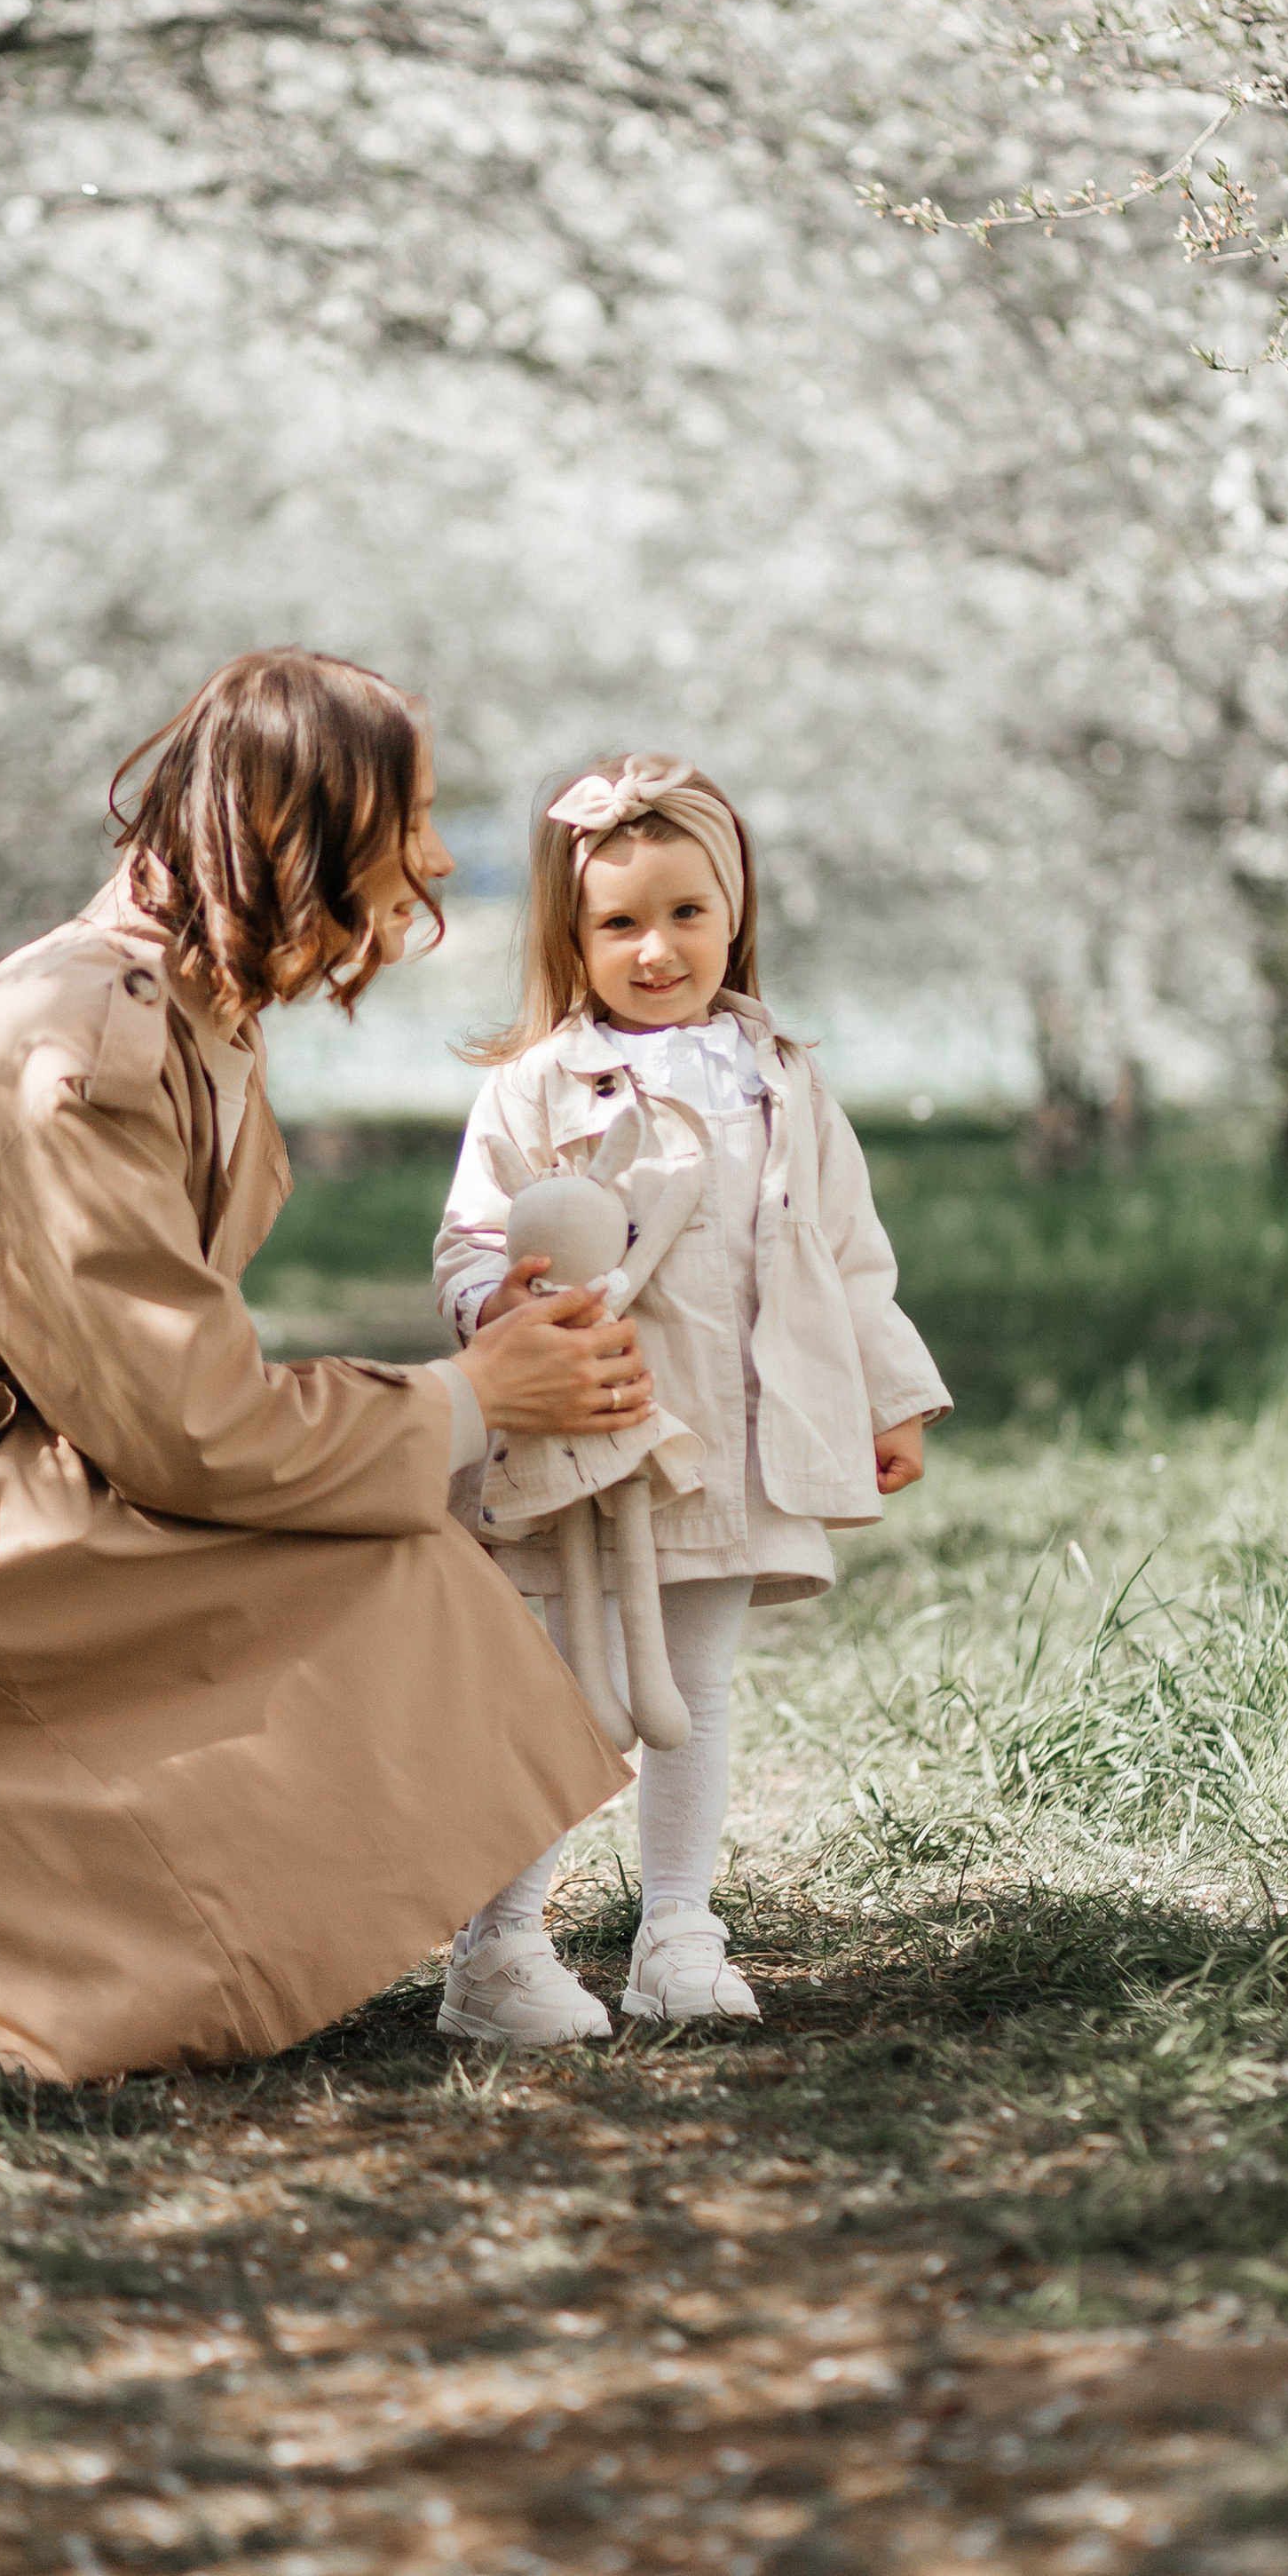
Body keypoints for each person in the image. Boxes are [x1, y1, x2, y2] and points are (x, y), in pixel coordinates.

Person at [0, 653, 651, 2082]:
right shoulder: (83, 1040)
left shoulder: (179, 1003)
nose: (427, 856)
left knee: (360, 1526)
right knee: (385, 1565)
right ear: (301, 835)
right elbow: (184, 1430)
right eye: (401, 820)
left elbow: (152, 1372)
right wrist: (470, 1403)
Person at [431, 751, 951, 2045]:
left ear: (734, 918)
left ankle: (678, 1929)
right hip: (584, 1434)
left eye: (686, 915)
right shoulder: (538, 1082)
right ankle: (498, 1944)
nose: (656, 950)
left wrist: (891, 1398)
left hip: (732, 1442)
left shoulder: (777, 1076)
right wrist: (496, 1305)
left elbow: (845, 1249)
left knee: (697, 1691)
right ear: (570, 932)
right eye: (619, 922)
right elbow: (472, 1241)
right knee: (564, 1693)